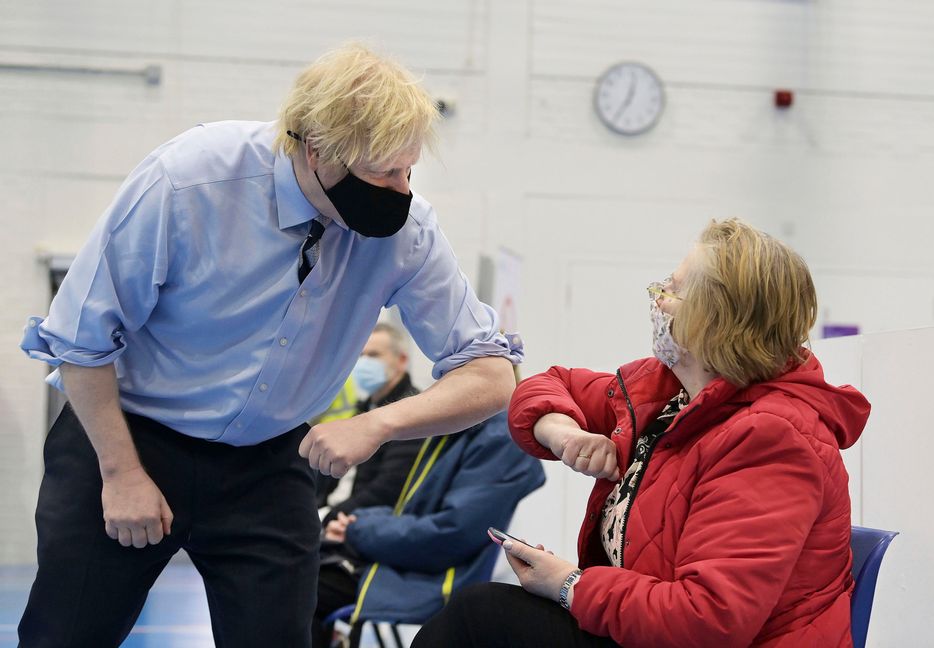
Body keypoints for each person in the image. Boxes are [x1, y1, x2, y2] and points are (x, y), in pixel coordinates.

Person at [17, 42, 520, 648]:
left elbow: (491, 374)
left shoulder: (407, 233)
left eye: (408, 170)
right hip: (128, 434)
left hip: (267, 458)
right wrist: (121, 472)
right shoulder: (190, 180)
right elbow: (80, 340)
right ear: (317, 150)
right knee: (65, 633)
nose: (400, 188)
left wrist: (379, 424)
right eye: (383, 173)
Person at [414, 218, 870, 648]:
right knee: (480, 615)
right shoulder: (668, 390)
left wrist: (569, 584)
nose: (657, 297)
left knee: (478, 618)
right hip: (648, 632)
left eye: (673, 289)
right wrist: (563, 432)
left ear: (713, 321)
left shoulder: (772, 438)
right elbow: (546, 384)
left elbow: (708, 620)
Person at [313, 410, 546, 647]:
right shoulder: (463, 427)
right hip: (410, 562)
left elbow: (448, 536)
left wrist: (358, 528)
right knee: (298, 572)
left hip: (432, 576)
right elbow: (411, 511)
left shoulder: (499, 440)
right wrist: (359, 522)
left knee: (302, 589)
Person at [316, 322, 424, 522]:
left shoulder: (412, 412)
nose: (363, 362)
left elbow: (388, 489)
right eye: (359, 355)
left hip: (354, 523)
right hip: (331, 513)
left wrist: (326, 518)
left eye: (373, 355)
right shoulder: (364, 407)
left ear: (401, 360)